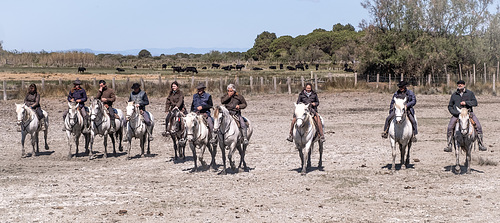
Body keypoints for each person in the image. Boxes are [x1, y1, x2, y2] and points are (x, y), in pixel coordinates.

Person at [444, 80, 487, 152]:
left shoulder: (470, 93)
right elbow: (450, 106)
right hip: (457, 114)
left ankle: (480, 144)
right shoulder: (454, 95)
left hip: (469, 113)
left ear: (464, 85)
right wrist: (455, 113)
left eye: (461, 84)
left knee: (478, 126)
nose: (460, 85)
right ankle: (449, 145)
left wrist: (466, 103)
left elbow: (475, 102)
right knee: (450, 127)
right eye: (458, 84)